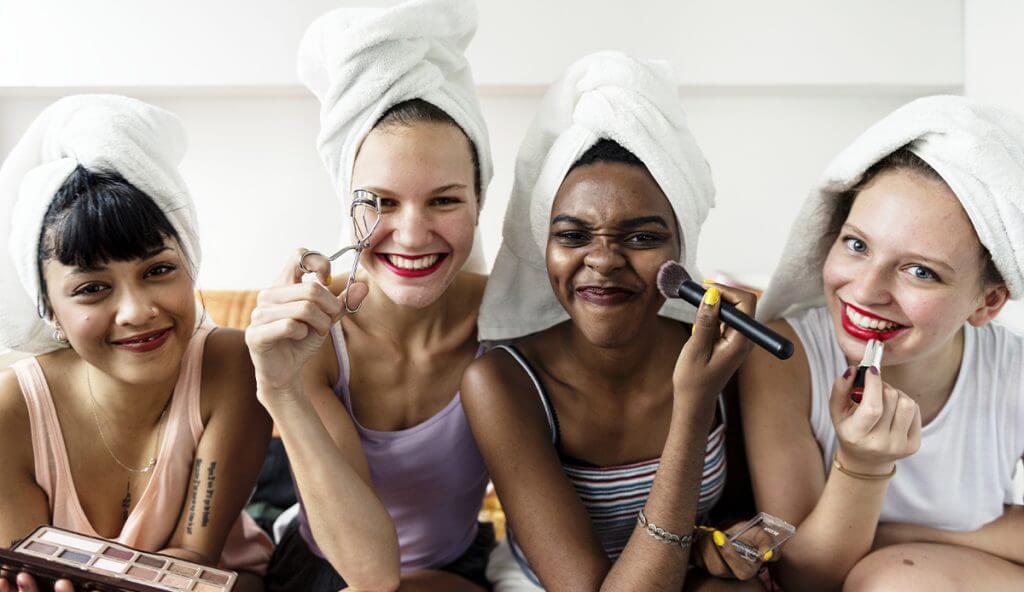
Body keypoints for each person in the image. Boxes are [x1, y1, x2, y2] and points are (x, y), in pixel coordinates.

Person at [464, 52, 765, 592]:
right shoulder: (502, 382)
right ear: (544, 247)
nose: (601, 261)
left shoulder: (726, 356)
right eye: (573, 236)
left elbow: (736, 515)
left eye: (642, 237)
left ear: (681, 248)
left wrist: (721, 546)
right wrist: (692, 407)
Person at [248, 1, 495, 590]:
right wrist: (280, 390)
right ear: (348, 205)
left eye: (444, 200)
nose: (411, 235)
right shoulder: (311, 336)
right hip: (325, 567)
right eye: (381, 201)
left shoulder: (509, 323)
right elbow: (370, 574)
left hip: (455, 568)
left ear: (479, 204)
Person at [740, 96, 1024, 591]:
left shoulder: (1012, 371)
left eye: (921, 271)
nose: (866, 292)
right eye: (857, 245)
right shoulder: (784, 356)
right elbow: (802, 577)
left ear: (987, 302)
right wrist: (864, 466)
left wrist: (900, 536)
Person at [0, 95, 273, 592]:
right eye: (92, 288)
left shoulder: (232, 365)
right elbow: (29, 575)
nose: (137, 311)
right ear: (50, 310)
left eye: (158, 270)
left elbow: (195, 559)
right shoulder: (10, 411)